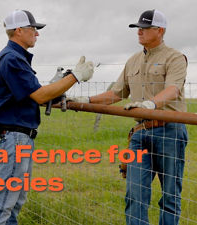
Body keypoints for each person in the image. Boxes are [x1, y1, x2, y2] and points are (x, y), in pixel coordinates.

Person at [69, 9, 188, 225]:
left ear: (160, 30)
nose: (139, 32)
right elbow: (117, 93)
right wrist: (84, 101)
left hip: (170, 131)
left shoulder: (175, 57)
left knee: (170, 196)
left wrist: (150, 104)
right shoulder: (132, 61)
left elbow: (173, 89)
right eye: (137, 28)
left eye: (144, 28)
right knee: (135, 194)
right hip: (140, 134)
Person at [0, 9, 94, 225]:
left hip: (17, 138)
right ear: (18, 30)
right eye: (34, 29)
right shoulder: (12, 59)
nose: (37, 34)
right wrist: (75, 76)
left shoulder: (15, 58)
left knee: (13, 202)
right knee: (3, 202)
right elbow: (40, 94)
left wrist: (57, 90)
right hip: (14, 138)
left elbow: (34, 96)